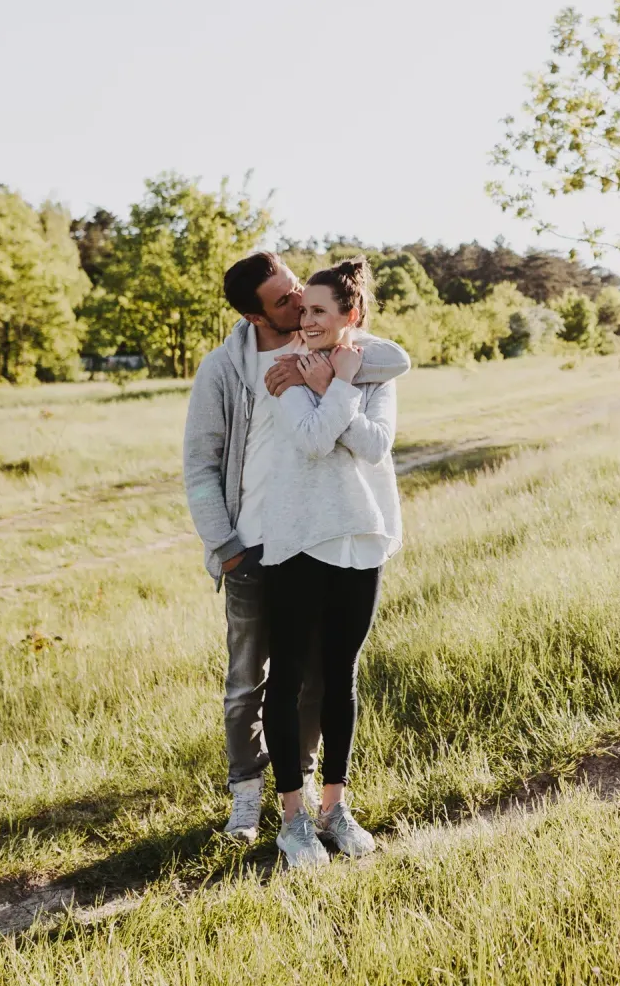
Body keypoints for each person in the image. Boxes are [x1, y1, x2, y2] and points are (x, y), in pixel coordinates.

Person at [182, 250, 411, 846]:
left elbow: (394, 362)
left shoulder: (326, 354)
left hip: (325, 534)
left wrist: (330, 373)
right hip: (253, 539)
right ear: (256, 316)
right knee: (249, 680)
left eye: (301, 294)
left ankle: (308, 792)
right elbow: (200, 464)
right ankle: (247, 797)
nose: (298, 306)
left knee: (321, 677)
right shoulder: (231, 368)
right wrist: (225, 545)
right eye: (286, 301)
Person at [254, 256, 403, 869]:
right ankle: (293, 819)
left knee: (342, 675)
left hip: (359, 538)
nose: (305, 321)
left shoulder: (373, 370)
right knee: (288, 677)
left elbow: (375, 446)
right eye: (303, 310)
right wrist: (332, 386)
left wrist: (337, 383)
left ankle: (334, 808)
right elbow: (315, 441)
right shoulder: (285, 370)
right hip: (298, 539)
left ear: (352, 314)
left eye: (319, 311)